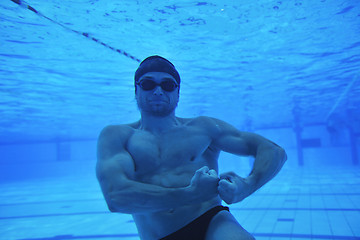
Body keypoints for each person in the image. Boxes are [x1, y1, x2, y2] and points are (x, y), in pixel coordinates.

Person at [96, 55, 287, 240]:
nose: (158, 91)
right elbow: (116, 197)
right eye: (148, 84)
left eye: (168, 85)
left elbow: (274, 151)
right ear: (135, 90)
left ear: (178, 92)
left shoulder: (204, 128)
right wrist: (191, 194)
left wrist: (247, 186)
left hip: (210, 220)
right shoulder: (118, 136)